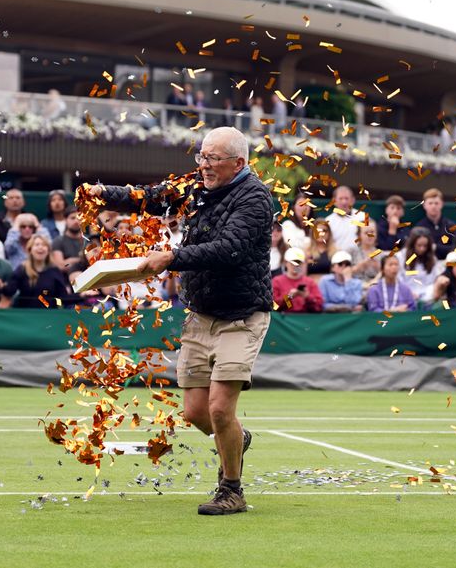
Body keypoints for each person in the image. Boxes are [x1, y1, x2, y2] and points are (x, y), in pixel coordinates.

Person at [86, 126, 271, 516]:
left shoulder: (255, 198)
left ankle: (231, 490)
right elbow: (151, 198)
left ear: (238, 163)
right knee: (195, 413)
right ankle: (237, 439)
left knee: (220, 409)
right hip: (201, 312)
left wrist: (169, 258)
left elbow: (229, 249)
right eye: (201, 157)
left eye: (212, 159)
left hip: (241, 314)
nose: (203, 165)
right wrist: (102, 193)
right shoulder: (198, 184)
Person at [3, 235, 81, 308]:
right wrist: (1, 286)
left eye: (44, 245)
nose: (40, 247)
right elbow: (10, 291)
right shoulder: (22, 269)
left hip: (48, 316)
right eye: (37, 245)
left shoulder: (55, 271)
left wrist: (81, 295)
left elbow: (63, 298)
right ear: (30, 250)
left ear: (48, 251)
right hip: (25, 316)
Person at [399, 227, 444, 308]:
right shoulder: (401, 257)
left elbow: (434, 280)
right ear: (412, 244)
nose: (422, 249)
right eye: (419, 245)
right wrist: (408, 293)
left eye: (425, 246)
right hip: (405, 299)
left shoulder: (432, 259)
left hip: (427, 299)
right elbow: (399, 279)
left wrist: (428, 295)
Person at [271, 247, 323, 313]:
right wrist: (288, 297)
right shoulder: (277, 281)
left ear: (303, 264)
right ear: (286, 263)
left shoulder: (310, 282)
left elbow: (319, 307)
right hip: (284, 319)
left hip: (306, 318)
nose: (295, 266)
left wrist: (307, 297)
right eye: (292, 263)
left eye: (298, 263)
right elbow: (274, 306)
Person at [415, 188, 455, 259]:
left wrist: (436, 247)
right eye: (430, 203)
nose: (433, 206)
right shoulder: (419, 227)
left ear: (442, 204)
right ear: (424, 205)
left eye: (436, 203)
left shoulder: (450, 225)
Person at [325, 186, 364, 251]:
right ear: (334, 201)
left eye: (346, 198)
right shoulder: (328, 221)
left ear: (353, 200)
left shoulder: (362, 217)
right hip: (336, 257)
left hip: (359, 258)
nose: (344, 202)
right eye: (340, 198)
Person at [50, 207, 88, 274]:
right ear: (65, 220)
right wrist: (83, 260)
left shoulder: (89, 240)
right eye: (72, 218)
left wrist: (70, 261)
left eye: (79, 218)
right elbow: (61, 266)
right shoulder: (58, 241)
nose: (76, 221)